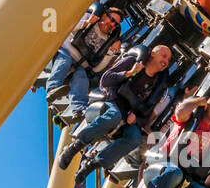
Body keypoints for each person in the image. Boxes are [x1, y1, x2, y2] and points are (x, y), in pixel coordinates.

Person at [57, 44, 173, 178]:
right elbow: (105, 79)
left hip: (128, 116)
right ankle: (75, 147)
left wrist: (137, 119)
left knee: (135, 138)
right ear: (153, 53)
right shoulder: (132, 62)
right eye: (164, 56)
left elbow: (147, 115)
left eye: (168, 59)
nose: (165, 61)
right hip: (111, 101)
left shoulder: (158, 85)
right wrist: (129, 73)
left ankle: (92, 164)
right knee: (114, 116)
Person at [45, 6, 124, 118]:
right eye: (112, 20)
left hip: (80, 64)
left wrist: (111, 52)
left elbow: (97, 68)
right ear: (104, 15)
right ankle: (52, 89)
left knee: (82, 77)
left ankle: (78, 110)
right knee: (65, 60)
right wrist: (86, 23)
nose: (112, 25)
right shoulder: (88, 17)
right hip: (65, 51)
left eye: (115, 24)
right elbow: (66, 28)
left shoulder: (108, 41)